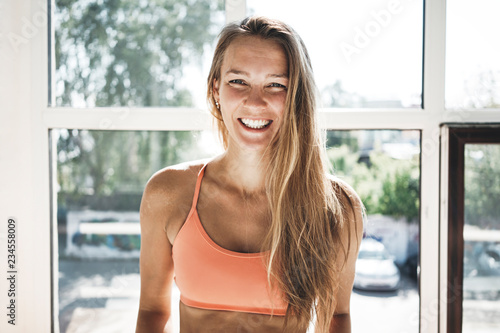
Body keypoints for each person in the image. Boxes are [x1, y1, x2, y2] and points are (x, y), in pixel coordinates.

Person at [135, 16, 364, 333]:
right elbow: (151, 311)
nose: (255, 102)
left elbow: (336, 318)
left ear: (296, 96)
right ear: (216, 88)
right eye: (238, 82)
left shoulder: (337, 207)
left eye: (276, 85)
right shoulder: (168, 193)